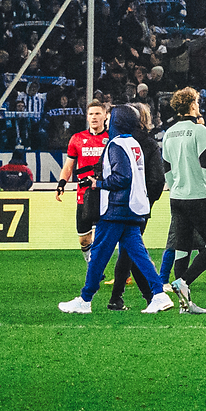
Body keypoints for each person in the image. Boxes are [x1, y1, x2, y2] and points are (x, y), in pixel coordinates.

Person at [59, 105, 171, 316]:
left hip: (115, 210)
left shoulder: (115, 144)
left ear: (118, 121)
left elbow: (122, 177)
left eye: (110, 118)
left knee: (98, 255)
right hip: (132, 209)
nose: (107, 122)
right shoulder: (134, 144)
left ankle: (85, 300)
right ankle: (159, 294)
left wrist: (98, 184)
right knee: (139, 255)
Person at [156, 88, 206, 315]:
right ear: (193, 105)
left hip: (177, 198)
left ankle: (185, 305)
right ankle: (184, 281)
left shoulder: (169, 132)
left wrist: (176, 188)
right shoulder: (199, 130)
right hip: (198, 197)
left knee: (182, 248)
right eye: (197, 102)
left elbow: (167, 169)